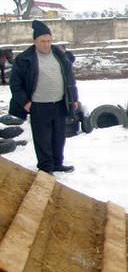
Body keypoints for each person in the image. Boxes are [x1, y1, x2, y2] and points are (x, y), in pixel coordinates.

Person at [9, 20, 78, 174]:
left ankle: (57, 163)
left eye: (49, 41)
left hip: (59, 103)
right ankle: (46, 167)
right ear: (35, 41)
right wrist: (25, 102)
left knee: (59, 137)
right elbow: (15, 84)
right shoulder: (25, 59)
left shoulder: (59, 55)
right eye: (43, 41)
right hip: (38, 105)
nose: (46, 44)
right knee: (43, 139)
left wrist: (73, 99)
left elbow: (69, 79)